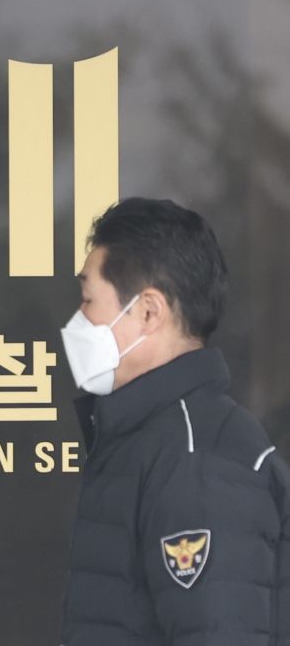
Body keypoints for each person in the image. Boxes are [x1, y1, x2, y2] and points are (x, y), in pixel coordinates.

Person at [58, 197, 290, 646]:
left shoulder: (197, 459)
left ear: (148, 311)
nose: (78, 320)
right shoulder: (152, 439)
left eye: (88, 300)